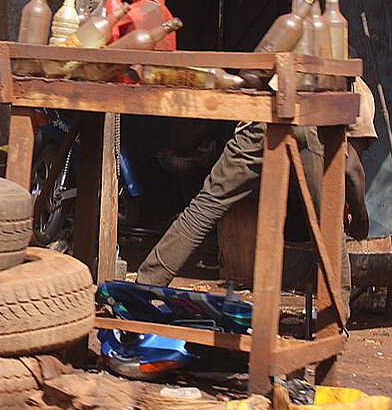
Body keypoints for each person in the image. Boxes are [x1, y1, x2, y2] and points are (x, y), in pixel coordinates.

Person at [136, 78, 377, 288]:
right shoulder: (360, 91)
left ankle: (146, 284)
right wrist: (361, 218)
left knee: (206, 206)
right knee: (328, 227)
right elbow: (352, 168)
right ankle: (337, 318)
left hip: (262, 118)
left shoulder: (300, 62)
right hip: (305, 124)